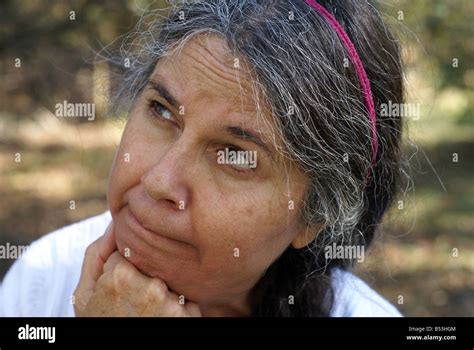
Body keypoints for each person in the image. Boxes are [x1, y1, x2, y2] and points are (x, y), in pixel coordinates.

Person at [0, 0, 405, 317]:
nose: (159, 181)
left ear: (315, 216)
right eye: (161, 111)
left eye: (236, 156)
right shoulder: (45, 280)